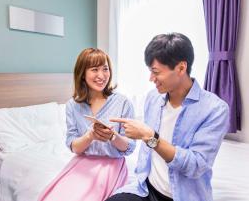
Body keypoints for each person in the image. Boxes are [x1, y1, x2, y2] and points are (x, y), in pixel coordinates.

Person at [106, 33, 229, 201]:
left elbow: (196, 165)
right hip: (145, 189)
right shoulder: (153, 98)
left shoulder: (215, 109)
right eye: (150, 71)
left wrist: (150, 137)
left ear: (181, 68)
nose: (151, 78)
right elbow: (145, 153)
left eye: (156, 72)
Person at [39, 48, 136, 201]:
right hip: (81, 164)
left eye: (105, 69)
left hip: (111, 167)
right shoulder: (72, 105)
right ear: (82, 74)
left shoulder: (123, 102)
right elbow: (74, 146)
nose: (101, 75)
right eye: (94, 69)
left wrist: (113, 137)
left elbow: (129, 147)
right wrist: (90, 135)